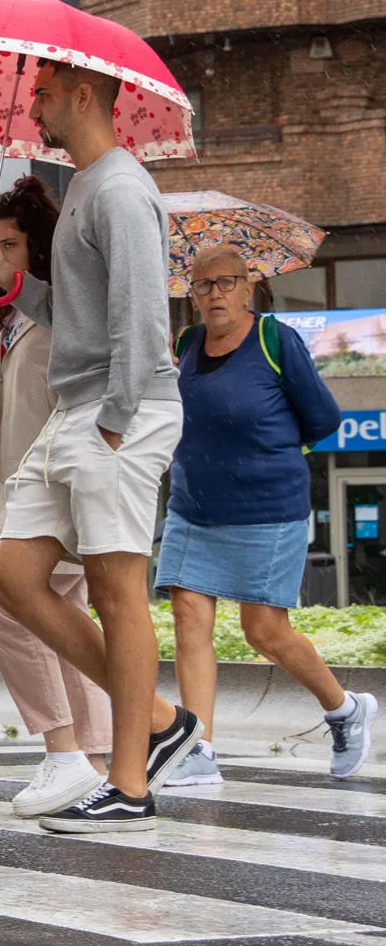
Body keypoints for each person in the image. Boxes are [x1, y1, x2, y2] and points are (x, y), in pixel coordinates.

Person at [0, 59, 202, 834]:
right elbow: (77, 313)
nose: (32, 107)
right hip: (78, 406)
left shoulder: (123, 189)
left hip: (116, 411)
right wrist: (6, 279)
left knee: (115, 592)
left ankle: (130, 784)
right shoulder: (83, 192)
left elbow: (142, 316)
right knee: (16, 577)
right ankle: (161, 719)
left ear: (83, 96)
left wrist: (115, 421)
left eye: (40, 93)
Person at [158, 246, 376, 783]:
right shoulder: (186, 344)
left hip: (267, 506)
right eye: (204, 285)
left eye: (226, 282)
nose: (215, 294)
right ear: (193, 294)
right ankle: (199, 749)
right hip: (193, 504)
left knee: (264, 631)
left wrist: (266, 448)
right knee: (188, 613)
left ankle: (346, 710)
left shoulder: (275, 340)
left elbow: (323, 418)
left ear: (248, 284)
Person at [0, 177, 112, 818]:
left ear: (40, 251)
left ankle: (65, 753)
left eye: (12, 243)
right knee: (64, 631)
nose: (0, 254)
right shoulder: (9, 327)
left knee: (9, 615)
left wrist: (2, 277)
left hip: (58, 491)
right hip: (22, 496)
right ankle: (95, 762)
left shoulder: (64, 309)